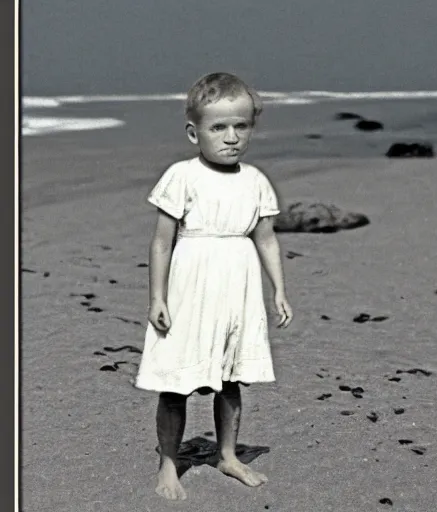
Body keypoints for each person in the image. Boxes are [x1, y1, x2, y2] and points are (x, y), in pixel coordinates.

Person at [134, 72, 294, 501]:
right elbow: (162, 241)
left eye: (241, 126)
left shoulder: (256, 180)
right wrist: (157, 297)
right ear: (194, 132)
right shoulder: (182, 176)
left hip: (237, 289)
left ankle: (227, 455)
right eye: (218, 127)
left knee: (231, 377)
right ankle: (169, 462)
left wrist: (278, 289)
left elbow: (265, 238)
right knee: (176, 381)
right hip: (191, 288)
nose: (231, 137)